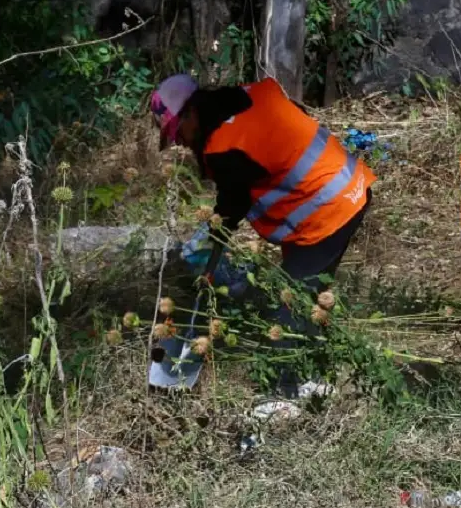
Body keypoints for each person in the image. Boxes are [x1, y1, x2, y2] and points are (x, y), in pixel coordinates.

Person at [150, 73, 375, 397]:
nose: (179, 142)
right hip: (348, 184)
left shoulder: (223, 145)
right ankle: (313, 376)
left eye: (177, 132)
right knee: (308, 295)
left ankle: (285, 393)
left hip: (328, 207)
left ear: (192, 113)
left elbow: (232, 204)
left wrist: (211, 244)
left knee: (290, 303)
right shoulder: (250, 96)